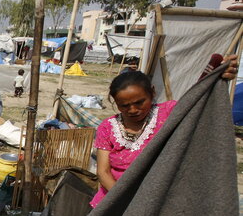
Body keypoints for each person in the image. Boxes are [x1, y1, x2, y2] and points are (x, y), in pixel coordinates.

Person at [91, 54, 239, 207]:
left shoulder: (168, 113)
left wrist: (219, 75)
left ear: (152, 93)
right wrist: (126, 202)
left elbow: (198, 106)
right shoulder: (107, 127)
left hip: (159, 199)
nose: (133, 110)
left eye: (139, 102)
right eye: (124, 106)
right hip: (115, 200)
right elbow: (103, 172)